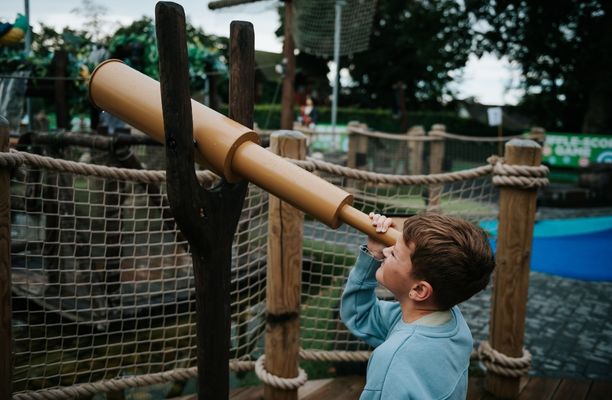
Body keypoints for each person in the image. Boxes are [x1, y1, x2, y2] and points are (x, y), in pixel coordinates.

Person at [340, 212, 495, 400]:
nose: (386, 251)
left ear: (420, 290)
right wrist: (373, 254)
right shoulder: (453, 323)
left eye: (395, 253)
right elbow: (361, 316)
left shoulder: (393, 359)